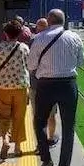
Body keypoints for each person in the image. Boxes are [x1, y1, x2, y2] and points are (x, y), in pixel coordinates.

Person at [28, 9, 84, 166]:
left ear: (49, 20)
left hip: (45, 85)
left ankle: (46, 159)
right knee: (68, 126)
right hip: (68, 84)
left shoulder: (38, 38)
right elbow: (82, 62)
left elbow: (31, 66)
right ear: (64, 20)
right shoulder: (74, 37)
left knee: (39, 123)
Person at [0, 21, 30, 160]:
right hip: (21, 87)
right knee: (19, 116)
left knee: (3, 115)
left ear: (5, 33)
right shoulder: (24, 48)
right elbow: (29, 66)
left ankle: (6, 140)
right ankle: (18, 147)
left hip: (3, 87)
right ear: (19, 34)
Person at [30, 18, 58, 146]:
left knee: (37, 115)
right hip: (51, 83)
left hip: (36, 84)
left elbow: (29, 64)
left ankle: (39, 143)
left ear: (36, 28)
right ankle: (51, 138)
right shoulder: (55, 40)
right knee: (51, 114)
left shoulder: (32, 41)